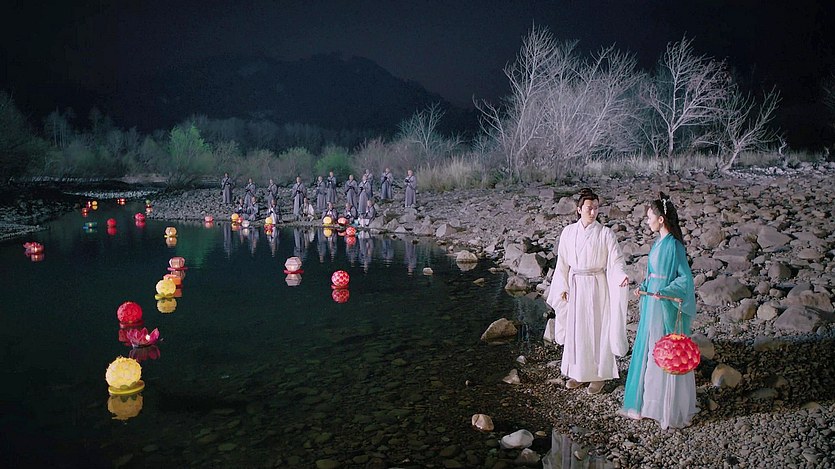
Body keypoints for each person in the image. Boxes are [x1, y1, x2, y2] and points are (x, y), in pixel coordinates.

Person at [620, 193, 697, 429]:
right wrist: (644, 287)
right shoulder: (657, 243)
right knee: (649, 348)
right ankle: (646, 405)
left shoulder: (674, 245)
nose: (647, 221)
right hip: (651, 302)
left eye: (649, 217)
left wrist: (665, 291)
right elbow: (653, 274)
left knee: (663, 349)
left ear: (661, 219)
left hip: (663, 304)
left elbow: (685, 278)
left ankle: (664, 408)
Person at [545, 188, 629, 395]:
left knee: (596, 329)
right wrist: (562, 287)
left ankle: (598, 376)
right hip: (575, 285)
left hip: (596, 286)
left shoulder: (605, 233)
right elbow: (562, 263)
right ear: (579, 209)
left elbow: (616, 260)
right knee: (577, 329)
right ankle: (578, 372)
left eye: (596, 208)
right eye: (589, 208)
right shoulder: (568, 233)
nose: (593, 212)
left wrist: (620, 276)